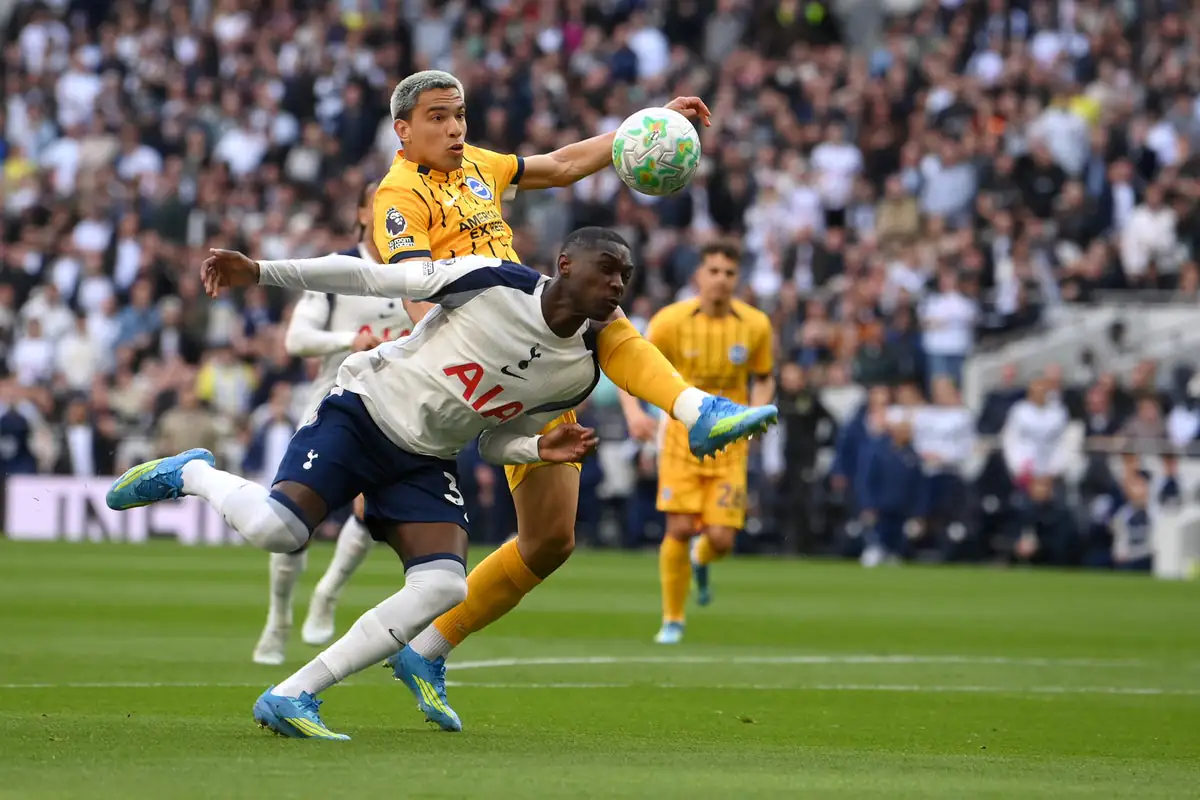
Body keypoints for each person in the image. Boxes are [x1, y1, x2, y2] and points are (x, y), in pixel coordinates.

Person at [106, 230, 652, 740]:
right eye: (606, 269)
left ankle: (293, 694)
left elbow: (492, 442)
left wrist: (537, 448)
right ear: (565, 265)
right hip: (364, 411)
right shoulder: (494, 280)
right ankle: (192, 473)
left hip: (426, 459)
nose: (616, 285)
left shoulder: (577, 373)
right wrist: (260, 271)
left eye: (625, 276)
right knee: (278, 531)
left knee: (444, 587)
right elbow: (369, 277)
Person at [364, 70, 778, 732]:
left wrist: (644, 130)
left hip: (524, 343)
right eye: (439, 117)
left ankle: (427, 649)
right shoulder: (398, 196)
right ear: (403, 129)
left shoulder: (478, 166)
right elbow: (414, 288)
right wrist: (465, 352)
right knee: (598, 315)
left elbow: (559, 166)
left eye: (460, 114)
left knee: (551, 540)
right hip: (480, 349)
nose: (455, 128)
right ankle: (698, 411)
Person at [251, 180, 415, 667]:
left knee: (371, 513)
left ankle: (327, 594)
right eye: (380, 204)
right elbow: (296, 339)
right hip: (331, 404)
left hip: (394, 410)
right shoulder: (337, 270)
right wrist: (350, 339)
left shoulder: (420, 274)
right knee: (291, 520)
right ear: (362, 213)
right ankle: (278, 618)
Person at [644, 241, 775, 643]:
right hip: (680, 440)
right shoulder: (669, 321)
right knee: (680, 527)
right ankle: (673, 619)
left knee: (721, 539)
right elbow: (636, 362)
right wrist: (634, 414)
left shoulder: (756, 325)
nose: (721, 279)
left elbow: (764, 376)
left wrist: (754, 413)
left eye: (729, 273)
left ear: (738, 279)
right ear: (698, 275)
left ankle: (701, 560)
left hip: (730, 446)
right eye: (714, 271)